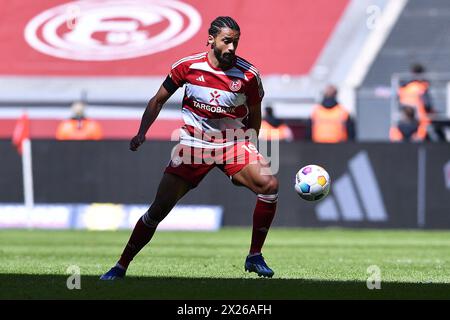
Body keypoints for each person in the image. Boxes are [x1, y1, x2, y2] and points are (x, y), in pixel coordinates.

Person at [100, 16, 278, 280]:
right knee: (158, 209)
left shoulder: (249, 75)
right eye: (226, 41)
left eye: (235, 43)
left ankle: (254, 256)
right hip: (194, 146)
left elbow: (254, 113)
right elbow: (158, 99)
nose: (231, 48)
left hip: (233, 144)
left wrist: (250, 147)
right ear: (211, 40)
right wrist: (141, 132)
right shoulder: (187, 67)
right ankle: (121, 265)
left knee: (269, 186)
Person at [397, 63, 434, 141]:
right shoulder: (421, 86)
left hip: (405, 119)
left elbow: (398, 101)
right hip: (420, 120)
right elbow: (427, 104)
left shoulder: (405, 87)